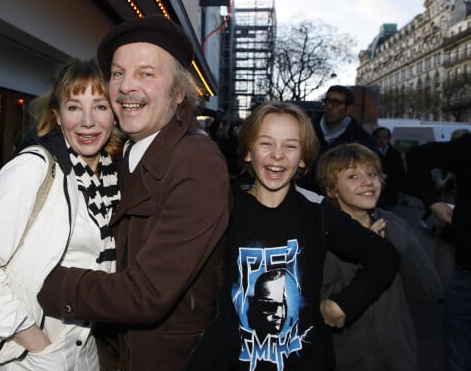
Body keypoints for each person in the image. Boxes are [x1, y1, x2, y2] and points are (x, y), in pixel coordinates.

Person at [37, 15, 230, 371]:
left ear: (177, 92)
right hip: (115, 345)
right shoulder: (123, 151)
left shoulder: (197, 163)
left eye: (146, 73)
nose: (127, 86)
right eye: (118, 73)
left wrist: (40, 281)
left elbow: (146, 294)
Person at [186, 101, 400, 371]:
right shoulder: (222, 206)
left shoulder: (317, 212)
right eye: (266, 143)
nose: (277, 155)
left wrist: (344, 303)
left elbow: (385, 256)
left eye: (290, 146)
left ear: (303, 158)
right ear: (249, 151)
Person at [0, 58, 123, 370]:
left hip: (85, 352)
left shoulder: (113, 179)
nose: (88, 120)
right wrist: (33, 340)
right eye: (74, 107)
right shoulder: (32, 168)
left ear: (114, 114)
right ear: (58, 116)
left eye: (100, 106)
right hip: (31, 357)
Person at [316, 143, 440, 371]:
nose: (367, 181)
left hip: (397, 360)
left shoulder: (396, 228)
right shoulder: (324, 236)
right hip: (342, 361)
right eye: (353, 176)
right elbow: (324, 307)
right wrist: (370, 257)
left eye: (372, 173)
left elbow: (429, 291)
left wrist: (403, 247)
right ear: (332, 189)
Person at [405, 132, 471, 371]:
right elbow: (417, 157)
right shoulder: (467, 146)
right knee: (459, 355)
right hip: (466, 272)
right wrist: (432, 201)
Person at [301, 85, 377, 192]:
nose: (329, 106)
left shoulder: (362, 141)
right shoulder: (306, 131)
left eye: (336, 103)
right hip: (305, 198)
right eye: (326, 101)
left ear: (349, 109)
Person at [372, 126, 405, 208]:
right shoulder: (369, 153)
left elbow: (401, 171)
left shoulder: (395, 153)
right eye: (378, 137)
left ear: (388, 138)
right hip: (374, 192)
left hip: (391, 192)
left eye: (384, 137)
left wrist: (400, 189)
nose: (381, 140)